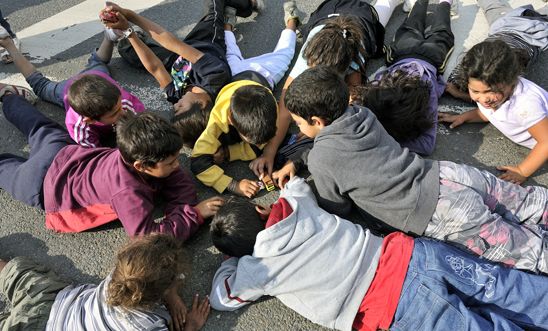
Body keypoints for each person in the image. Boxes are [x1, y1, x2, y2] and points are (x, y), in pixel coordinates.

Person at [273, 66, 548, 274]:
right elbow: (340, 148)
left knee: (525, 249)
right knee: (527, 201)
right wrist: (299, 160)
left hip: (438, 212)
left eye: (298, 123)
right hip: (447, 175)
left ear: (317, 121)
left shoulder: (323, 159)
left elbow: (338, 208)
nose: (298, 128)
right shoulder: (362, 114)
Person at [209, 177, 548, 331]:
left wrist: (233, 262)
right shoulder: (294, 206)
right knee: (504, 288)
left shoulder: (257, 269)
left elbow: (220, 298)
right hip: (415, 255)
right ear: (259, 209)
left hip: (395, 307)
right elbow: (296, 186)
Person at [0, 87, 223, 239]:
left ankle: (9, 98)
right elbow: (144, 236)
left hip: (61, 153)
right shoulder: (127, 192)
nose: (178, 166)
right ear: (141, 166)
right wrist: (193, 215)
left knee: (39, 127)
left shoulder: (140, 150)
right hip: (41, 186)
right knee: (5, 167)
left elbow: (176, 180)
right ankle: (8, 98)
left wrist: (181, 209)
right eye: (172, 162)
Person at [248, 0, 400, 180]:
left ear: (341, 72)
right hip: (328, 12)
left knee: (383, 10)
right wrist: (269, 151)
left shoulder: (353, 60)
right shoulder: (311, 54)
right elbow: (285, 108)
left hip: (362, 18)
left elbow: (353, 105)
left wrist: (309, 132)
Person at [103, 0, 251, 145]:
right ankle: (247, 5)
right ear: (201, 104)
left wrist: (128, 32)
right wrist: (129, 15)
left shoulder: (178, 96)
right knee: (213, 6)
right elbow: (172, 43)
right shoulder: (214, 75)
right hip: (205, 42)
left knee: (127, 50)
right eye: (180, 108)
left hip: (179, 58)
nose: (175, 106)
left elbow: (155, 68)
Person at [0, 233, 210, 331]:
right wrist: (190, 325)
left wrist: (170, 294)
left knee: (16, 272)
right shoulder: (149, 325)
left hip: (54, 299)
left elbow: (149, 278)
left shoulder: (123, 273)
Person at [0, 25, 145, 148]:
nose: (122, 113)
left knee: (98, 62)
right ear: (89, 120)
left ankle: (109, 37)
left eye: (119, 108)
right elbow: (97, 157)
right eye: (114, 114)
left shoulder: (124, 102)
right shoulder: (78, 125)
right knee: (40, 85)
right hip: (68, 89)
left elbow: (143, 124)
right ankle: (9, 45)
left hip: (97, 76)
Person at [352, 0, 454, 156]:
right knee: (418, 27)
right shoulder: (386, 88)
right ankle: (437, 3)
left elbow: (427, 145)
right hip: (405, 54)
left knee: (436, 30)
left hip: (428, 56)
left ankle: (439, 3)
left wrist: (383, 136)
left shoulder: (425, 96)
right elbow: (425, 145)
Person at [439, 40, 547, 184]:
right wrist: (463, 117)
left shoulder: (526, 105)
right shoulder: (495, 98)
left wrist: (522, 171)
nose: (484, 99)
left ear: (511, 79)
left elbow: (546, 142)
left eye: (491, 91)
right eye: (475, 91)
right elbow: (487, 113)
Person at [190, 78, 278, 198]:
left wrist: (228, 153)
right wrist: (233, 185)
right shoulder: (216, 124)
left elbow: (260, 145)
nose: (261, 145)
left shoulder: (272, 107)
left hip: (256, 83)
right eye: (250, 139)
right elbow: (197, 163)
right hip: (237, 82)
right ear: (231, 120)